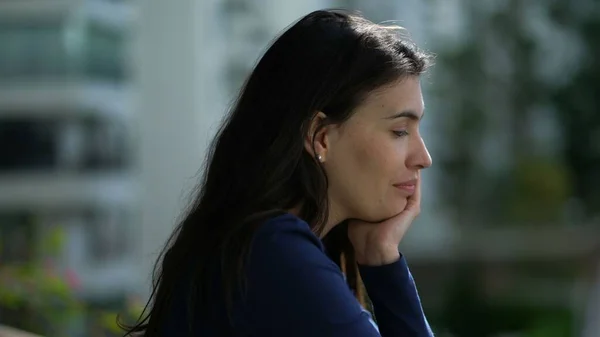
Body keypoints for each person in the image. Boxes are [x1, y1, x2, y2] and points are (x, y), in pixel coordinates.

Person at [123, 9, 434, 337]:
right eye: (400, 131)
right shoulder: (275, 256)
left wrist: (380, 253)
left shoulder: (261, 246)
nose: (423, 157)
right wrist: (387, 274)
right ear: (320, 137)